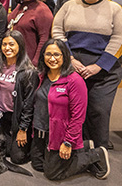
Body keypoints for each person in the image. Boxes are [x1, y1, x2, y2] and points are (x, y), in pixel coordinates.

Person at [52, 0, 122, 150]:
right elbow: (57, 31)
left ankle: (100, 151)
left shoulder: (114, 9)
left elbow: (118, 38)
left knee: (98, 110)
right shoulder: (68, 6)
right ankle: (78, 149)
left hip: (104, 69)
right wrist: (70, 60)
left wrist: (98, 66)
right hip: (73, 65)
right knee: (73, 109)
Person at [31, 39, 110, 180]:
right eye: (48, 54)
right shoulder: (42, 75)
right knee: (38, 165)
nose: (52, 58)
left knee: (52, 173)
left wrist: (68, 142)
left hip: (61, 134)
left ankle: (95, 155)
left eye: (57, 54)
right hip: (44, 131)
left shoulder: (74, 80)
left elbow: (78, 117)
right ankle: (84, 147)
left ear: (65, 56)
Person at [0, 30, 38, 164]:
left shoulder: (28, 71)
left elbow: (29, 104)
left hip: (16, 118)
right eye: (4, 44)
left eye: (11, 44)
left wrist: (23, 129)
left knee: (17, 158)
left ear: (20, 45)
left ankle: (26, 141)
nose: (7, 48)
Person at [7, 0, 53, 66]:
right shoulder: (19, 7)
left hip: (30, 63)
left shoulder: (42, 10)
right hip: (14, 60)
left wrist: (35, 63)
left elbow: (44, 39)